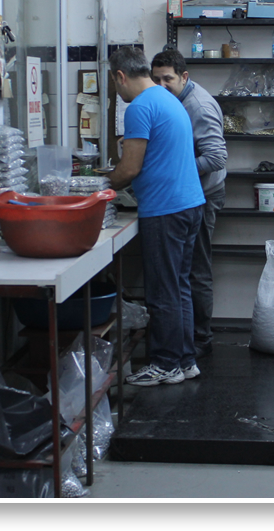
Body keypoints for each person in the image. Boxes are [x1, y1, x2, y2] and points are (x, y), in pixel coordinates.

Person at [107, 46, 206, 386]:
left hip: (166, 209)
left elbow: (129, 169)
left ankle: (165, 364)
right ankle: (185, 360)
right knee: (178, 287)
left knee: (163, 291)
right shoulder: (168, 99)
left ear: (121, 76)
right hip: (189, 204)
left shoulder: (139, 107)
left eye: (114, 82)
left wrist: (99, 187)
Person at [150, 48, 227, 360]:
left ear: (184, 77)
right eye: (156, 80)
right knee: (185, 270)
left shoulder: (198, 106)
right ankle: (186, 337)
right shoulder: (172, 101)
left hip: (203, 196)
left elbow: (216, 157)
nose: (161, 86)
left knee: (196, 269)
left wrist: (173, 168)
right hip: (184, 194)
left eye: (168, 79)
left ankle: (200, 339)